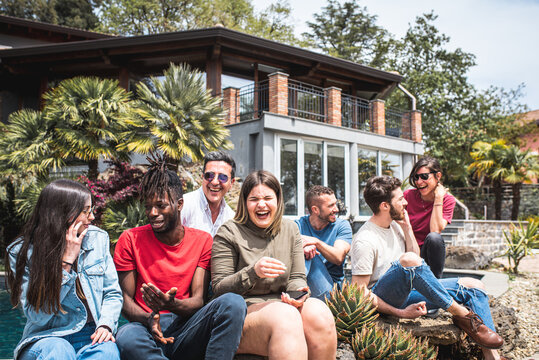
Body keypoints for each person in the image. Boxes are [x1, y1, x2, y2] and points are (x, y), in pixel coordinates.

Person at [351, 176, 506, 360]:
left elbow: (415, 258)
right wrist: (401, 313)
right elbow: (360, 293)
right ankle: (461, 313)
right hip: (384, 297)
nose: (406, 202)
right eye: (400, 199)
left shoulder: (395, 225)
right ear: (385, 205)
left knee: (474, 287)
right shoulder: (364, 240)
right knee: (408, 260)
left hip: (407, 292)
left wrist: (408, 228)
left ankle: (492, 357)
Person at [113, 155, 246, 360]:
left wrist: (171, 304)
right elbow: (125, 299)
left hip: (184, 326)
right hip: (144, 326)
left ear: (179, 204)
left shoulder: (203, 241)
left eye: (161, 205)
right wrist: (149, 319)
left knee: (233, 303)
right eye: (148, 207)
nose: (153, 213)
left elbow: (197, 300)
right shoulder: (130, 239)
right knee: (128, 336)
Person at [212, 170, 337, 360]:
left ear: (278, 200)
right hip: (242, 312)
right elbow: (219, 289)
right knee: (285, 316)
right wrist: (253, 272)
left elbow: (296, 277)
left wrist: (298, 295)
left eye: (268, 198)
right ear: (245, 203)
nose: (261, 204)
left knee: (319, 312)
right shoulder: (228, 232)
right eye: (254, 199)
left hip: (283, 304)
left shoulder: (290, 229)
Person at [5, 179, 122, 360]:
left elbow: (112, 293)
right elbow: (36, 315)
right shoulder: (22, 252)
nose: (92, 217)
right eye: (86, 211)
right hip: (45, 336)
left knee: (107, 352)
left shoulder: (98, 239)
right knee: (59, 350)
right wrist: (66, 262)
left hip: (90, 333)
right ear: (64, 213)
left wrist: (105, 325)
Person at [295, 185, 352, 300]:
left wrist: (316, 243)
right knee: (300, 250)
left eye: (335, 204)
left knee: (310, 254)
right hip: (304, 284)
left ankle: (294, 294)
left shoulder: (342, 226)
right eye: (331, 206)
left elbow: (338, 257)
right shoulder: (297, 226)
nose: (336, 209)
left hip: (330, 292)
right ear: (315, 210)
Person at [404, 156, 456, 278]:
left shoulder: (448, 200)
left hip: (429, 253)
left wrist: (438, 198)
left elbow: (435, 231)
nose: (419, 182)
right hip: (407, 250)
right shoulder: (407, 196)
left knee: (434, 238)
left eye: (424, 176)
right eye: (416, 177)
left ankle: (436, 282)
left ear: (438, 176)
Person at [181, 151, 236, 237]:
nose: (214, 182)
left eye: (222, 177)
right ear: (202, 177)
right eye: (209, 175)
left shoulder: (231, 218)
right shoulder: (184, 206)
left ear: (231, 183)